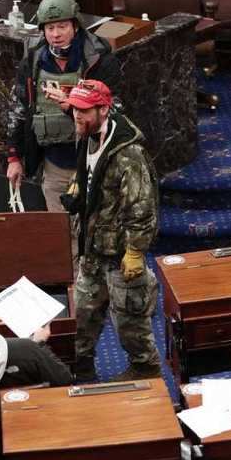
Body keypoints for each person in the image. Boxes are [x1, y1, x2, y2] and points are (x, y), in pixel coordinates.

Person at [59, 79, 162, 382]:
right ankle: (82, 369)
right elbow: (90, 176)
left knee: (131, 325)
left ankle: (146, 372)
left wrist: (134, 252)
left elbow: (142, 208)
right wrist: (78, 189)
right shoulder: (89, 134)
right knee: (82, 318)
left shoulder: (130, 154)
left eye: (84, 110)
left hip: (120, 255)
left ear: (104, 109)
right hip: (92, 248)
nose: (77, 115)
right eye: (75, 108)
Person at [6, 0, 120, 211]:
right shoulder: (32, 62)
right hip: (54, 166)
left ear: (75, 26)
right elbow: (18, 111)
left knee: (94, 233)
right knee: (62, 234)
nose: (56, 34)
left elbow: (114, 114)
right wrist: (14, 157)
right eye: (50, 28)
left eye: (62, 27)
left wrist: (72, 107)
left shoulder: (99, 61)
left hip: (92, 162)